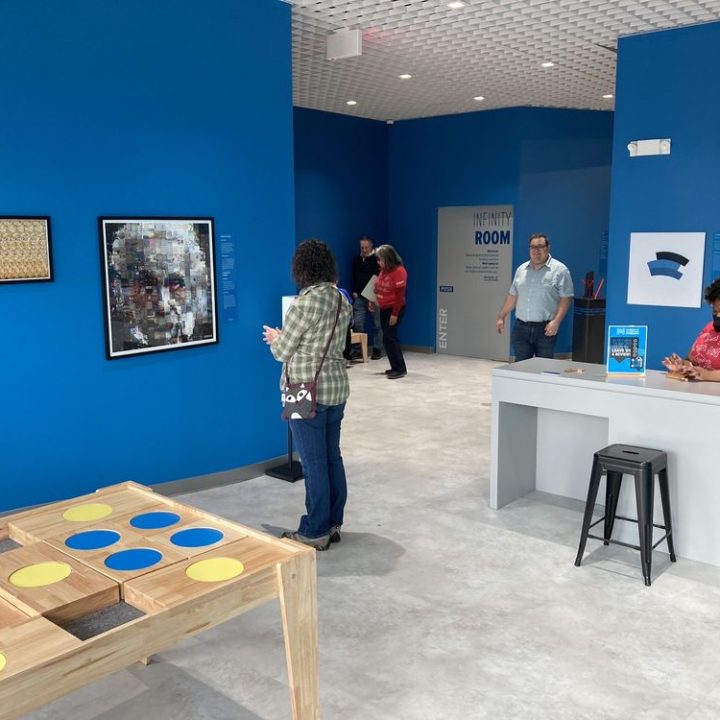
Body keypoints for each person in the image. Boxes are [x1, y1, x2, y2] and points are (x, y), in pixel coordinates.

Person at [262, 239, 352, 550]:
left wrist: (276, 337)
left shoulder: (303, 304)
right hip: (336, 388)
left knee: (313, 463)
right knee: (331, 458)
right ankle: (333, 522)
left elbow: (283, 352)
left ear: (301, 268)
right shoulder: (343, 301)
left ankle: (315, 530)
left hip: (304, 391)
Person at [496, 233, 574, 361]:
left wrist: (556, 321)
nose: (536, 251)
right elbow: (513, 296)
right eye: (532, 247)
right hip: (521, 328)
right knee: (520, 367)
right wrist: (501, 316)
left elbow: (566, 298)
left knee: (544, 369)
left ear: (548, 248)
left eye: (540, 247)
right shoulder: (521, 269)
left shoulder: (560, 270)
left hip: (545, 330)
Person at [662, 277, 720, 381]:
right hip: (694, 394)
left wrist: (705, 375)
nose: (718, 316)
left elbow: (701, 373)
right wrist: (682, 366)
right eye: (715, 312)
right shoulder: (709, 327)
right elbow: (692, 361)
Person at [371, 244, 408, 379]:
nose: (378, 262)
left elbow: (399, 296)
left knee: (390, 337)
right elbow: (380, 288)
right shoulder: (383, 270)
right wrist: (374, 299)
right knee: (386, 338)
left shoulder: (399, 271)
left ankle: (400, 368)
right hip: (384, 308)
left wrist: (395, 314)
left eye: (380, 259)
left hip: (394, 308)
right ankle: (394, 366)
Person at [352, 236, 383, 359]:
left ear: (371, 247)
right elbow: (354, 276)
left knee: (377, 324)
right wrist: (354, 290)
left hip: (374, 297)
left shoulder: (377, 260)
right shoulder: (356, 260)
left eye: (366, 247)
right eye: (362, 247)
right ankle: (359, 349)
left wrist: (375, 296)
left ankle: (377, 348)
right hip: (359, 297)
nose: (364, 250)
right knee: (357, 323)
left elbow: (379, 278)